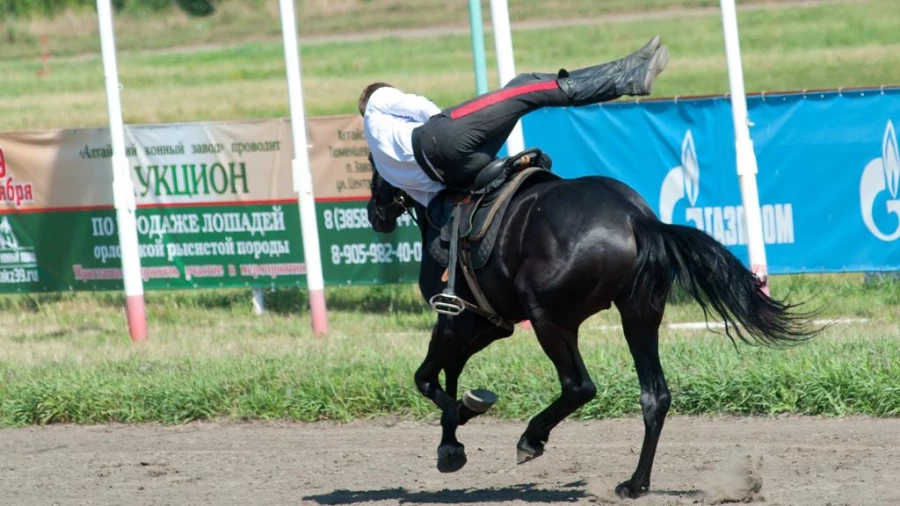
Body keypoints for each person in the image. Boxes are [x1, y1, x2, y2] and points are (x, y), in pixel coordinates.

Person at [360, 36, 669, 206]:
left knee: (519, 99)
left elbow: (432, 199)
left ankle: (627, 72)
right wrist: (452, 123)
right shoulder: (374, 102)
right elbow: (419, 106)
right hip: (441, 136)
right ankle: (627, 77)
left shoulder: (387, 169)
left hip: (456, 174)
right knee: (524, 86)